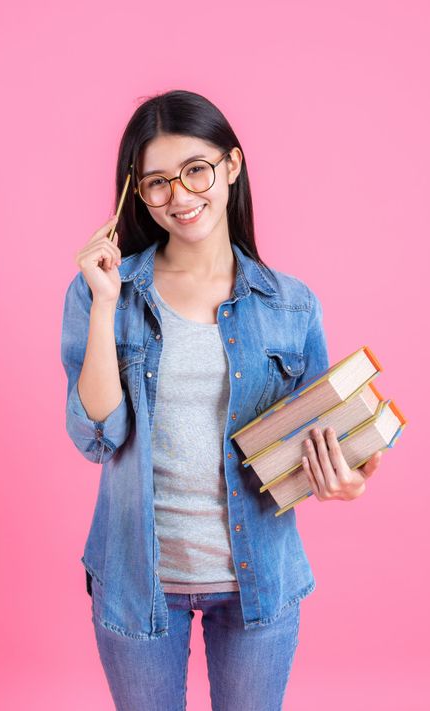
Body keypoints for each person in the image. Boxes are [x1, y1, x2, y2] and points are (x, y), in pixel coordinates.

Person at [60, 89, 382, 711]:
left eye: (196, 170)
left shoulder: (290, 306)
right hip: (137, 580)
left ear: (232, 165)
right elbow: (96, 435)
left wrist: (354, 478)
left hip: (259, 583)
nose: (180, 196)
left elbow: (328, 437)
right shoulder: (106, 293)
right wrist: (103, 302)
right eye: (157, 182)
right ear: (136, 193)